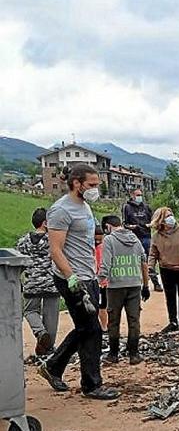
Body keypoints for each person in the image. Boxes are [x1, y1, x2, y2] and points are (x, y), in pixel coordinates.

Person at [38, 163, 119, 400]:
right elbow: (55, 250)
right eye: (92, 185)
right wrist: (71, 277)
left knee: (87, 327)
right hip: (71, 277)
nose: (95, 189)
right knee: (92, 328)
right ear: (77, 183)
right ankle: (92, 385)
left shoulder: (84, 206)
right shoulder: (61, 210)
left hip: (88, 274)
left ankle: (53, 367)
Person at [98, 215, 150, 365]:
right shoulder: (135, 239)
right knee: (134, 320)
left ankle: (113, 354)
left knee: (113, 321)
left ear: (108, 226)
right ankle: (134, 354)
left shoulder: (109, 240)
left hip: (115, 286)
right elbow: (144, 262)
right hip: (134, 284)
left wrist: (100, 280)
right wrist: (145, 286)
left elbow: (106, 264)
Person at [16, 207, 60, 356]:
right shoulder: (54, 241)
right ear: (45, 223)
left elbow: (19, 262)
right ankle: (49, 349)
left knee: (30, 311)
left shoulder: (23, 241)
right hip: (51, 283)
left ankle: (40, 332)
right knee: (51, 316)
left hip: (32, 283)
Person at [149, 207, 179, 334]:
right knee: (170, 296)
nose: (170, 218)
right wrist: (150, 266)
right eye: (167, 216)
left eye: (171, 215)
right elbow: (153, 253)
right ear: (161, 220)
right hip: (166, 269)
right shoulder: (156, 236)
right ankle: (173, 321)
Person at [122, 189, 161, 292]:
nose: (139, 197)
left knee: (149, 260)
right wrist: (130, 227)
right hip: (133, 238)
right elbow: (124, 223)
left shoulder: (146, 207)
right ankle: (135, 285)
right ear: (132, 195)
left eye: (140, 195)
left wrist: (151, 224)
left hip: (146, 236)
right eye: (137, 195)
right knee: (133, 262)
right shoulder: (127, 207)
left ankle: (155, 282)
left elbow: (153, 220)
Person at [94, 226, 108, 332]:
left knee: (102, 306)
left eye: (99, 239)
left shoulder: (104, 248)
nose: (97, 241)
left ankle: (104, 327)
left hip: (103, 282)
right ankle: (104, 326)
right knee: (101, 306)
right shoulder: (92, 248)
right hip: (97, 281)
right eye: (96, 239)